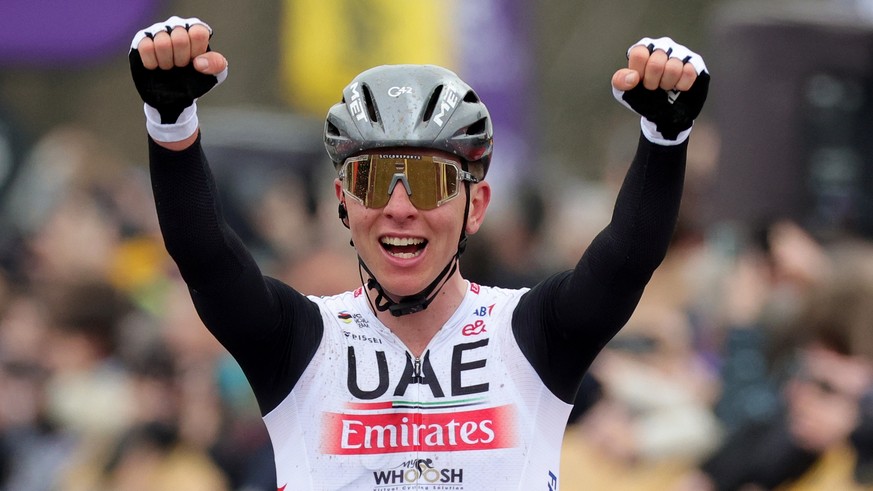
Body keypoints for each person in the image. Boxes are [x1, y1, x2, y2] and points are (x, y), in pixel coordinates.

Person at [128, 15, 709, 490]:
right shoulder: (296, 341)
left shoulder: (534, 332)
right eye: (374, 180)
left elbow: (628, 256)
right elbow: (205, 256)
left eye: (429, 182)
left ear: (475, 207)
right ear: (342, 202)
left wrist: (665, 139)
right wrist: (171, 127)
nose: (399, 207)